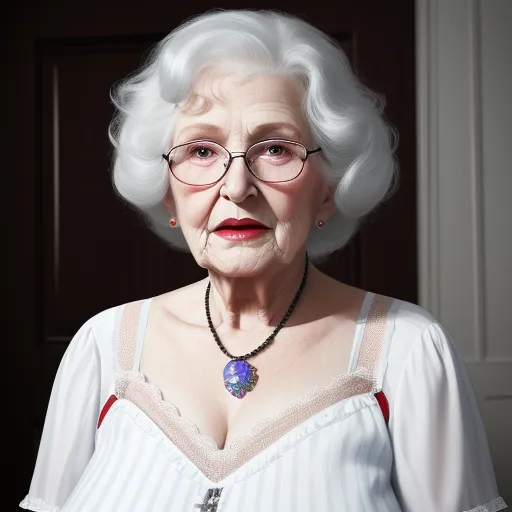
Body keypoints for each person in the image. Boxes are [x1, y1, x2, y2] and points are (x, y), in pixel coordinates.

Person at [20, 8, 507, 512]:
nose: (236, 188)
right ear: (167, 192)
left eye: (275, 149)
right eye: (201, 151)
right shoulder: (102, 348)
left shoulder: (408, 352)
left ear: (329, 188)